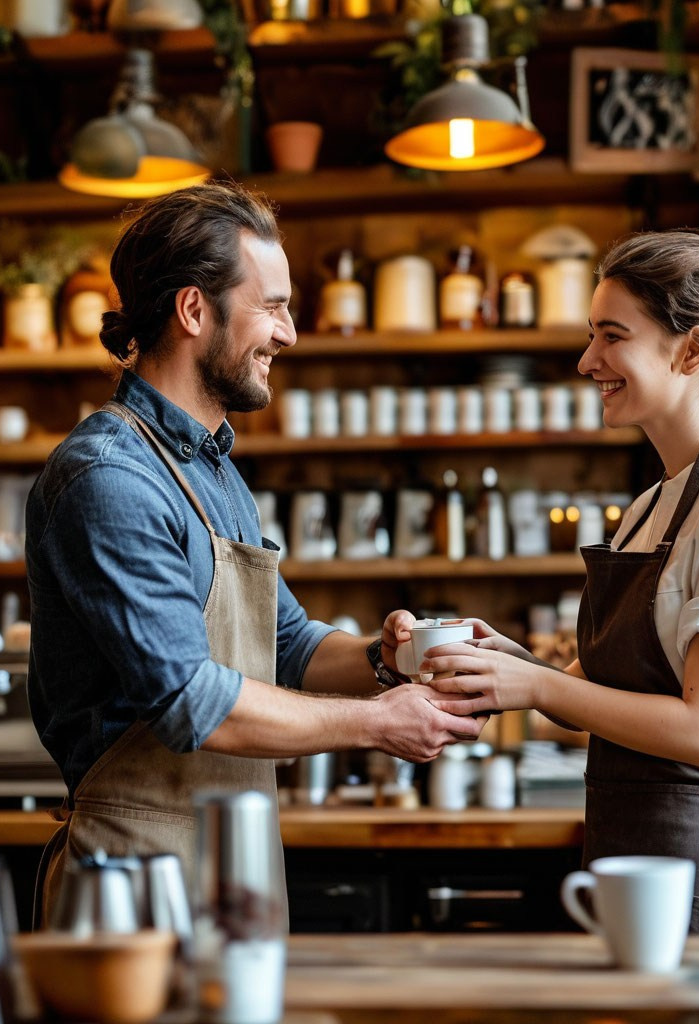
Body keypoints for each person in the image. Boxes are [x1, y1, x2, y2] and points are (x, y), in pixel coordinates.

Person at [26, 181, 484, 921]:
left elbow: (288, 641)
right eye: (271, 305)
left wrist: (383, 655)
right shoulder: (107, 477)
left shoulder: (212, 468)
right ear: (193, 310)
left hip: (231, 864)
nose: (289, 333)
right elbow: (189, 701)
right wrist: (378, 722)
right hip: (132, 886)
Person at [388, 229, 699, 935]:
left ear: (691, 351)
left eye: (611, 335)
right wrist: (504, 662)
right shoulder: (652, 507)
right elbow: (585, 696)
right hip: (633, 859)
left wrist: (536, 685)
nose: (587, 360)